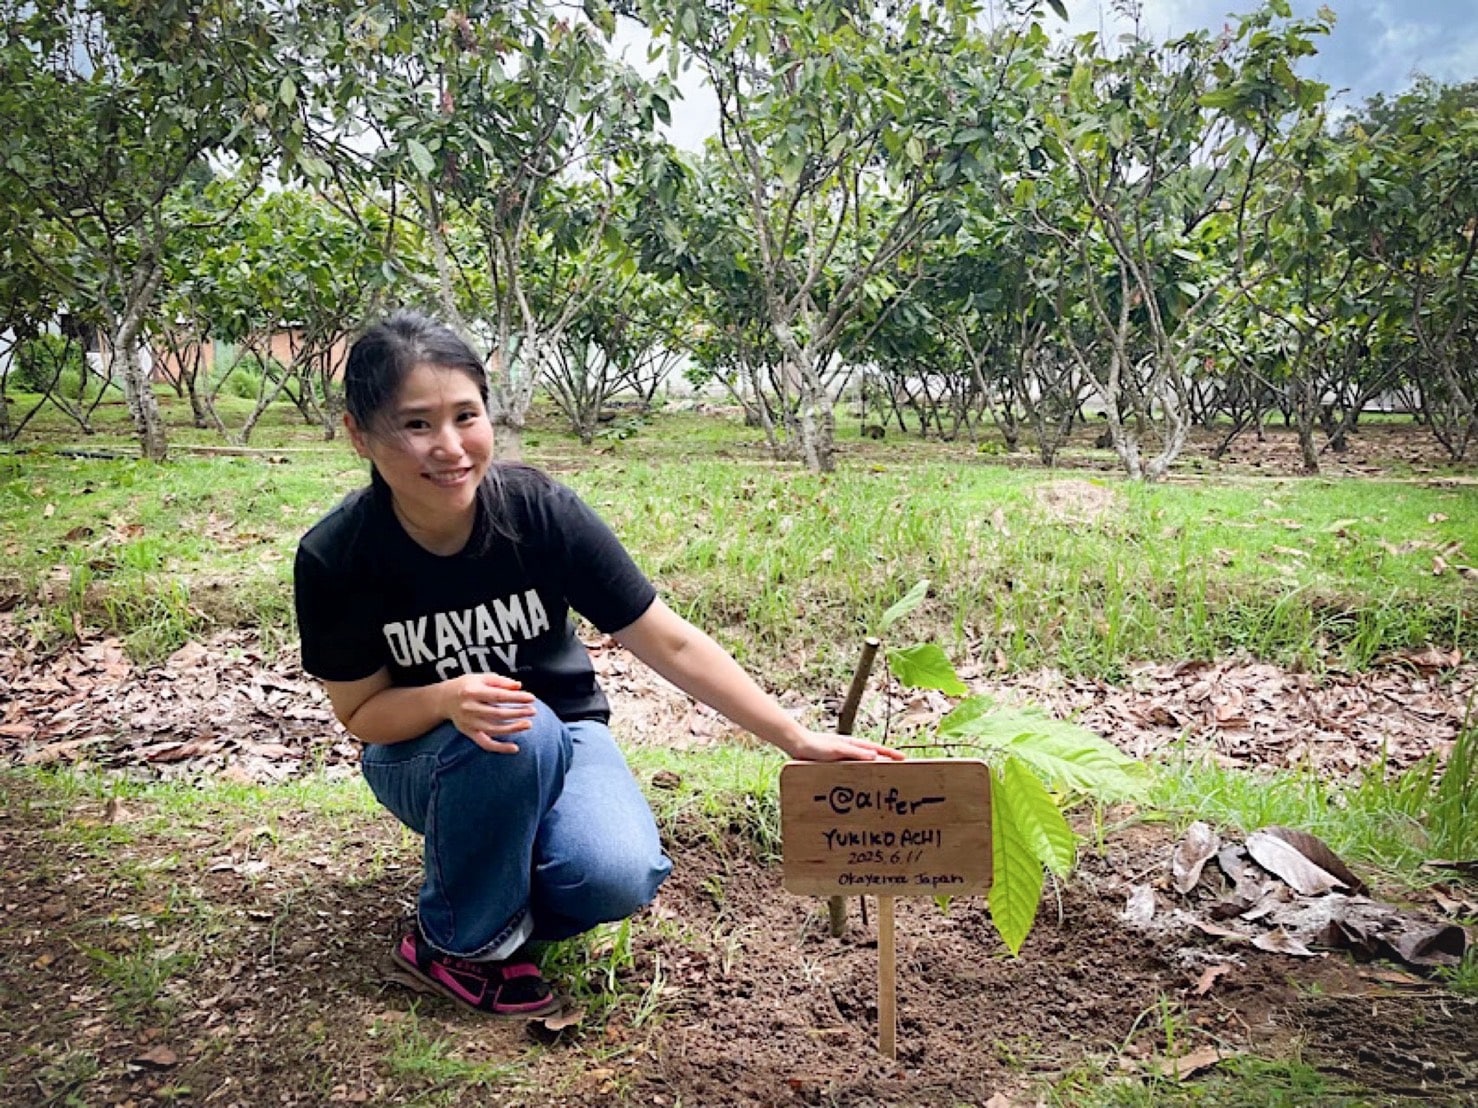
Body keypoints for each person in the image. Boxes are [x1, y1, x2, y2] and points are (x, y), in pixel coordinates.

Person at [294, 310, 901, 1018]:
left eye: (467, 415)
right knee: (523, 728)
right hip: (424, 755)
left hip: (565, 735)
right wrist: (446, 698)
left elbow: (666, 640)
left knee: (615, 875)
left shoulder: (539, 515)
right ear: (359, 434)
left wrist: (796, 739)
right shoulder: (339, 556)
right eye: (417, 424)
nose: (451, 446)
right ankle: (452, 945)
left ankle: (497, 904)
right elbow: (362, 715)